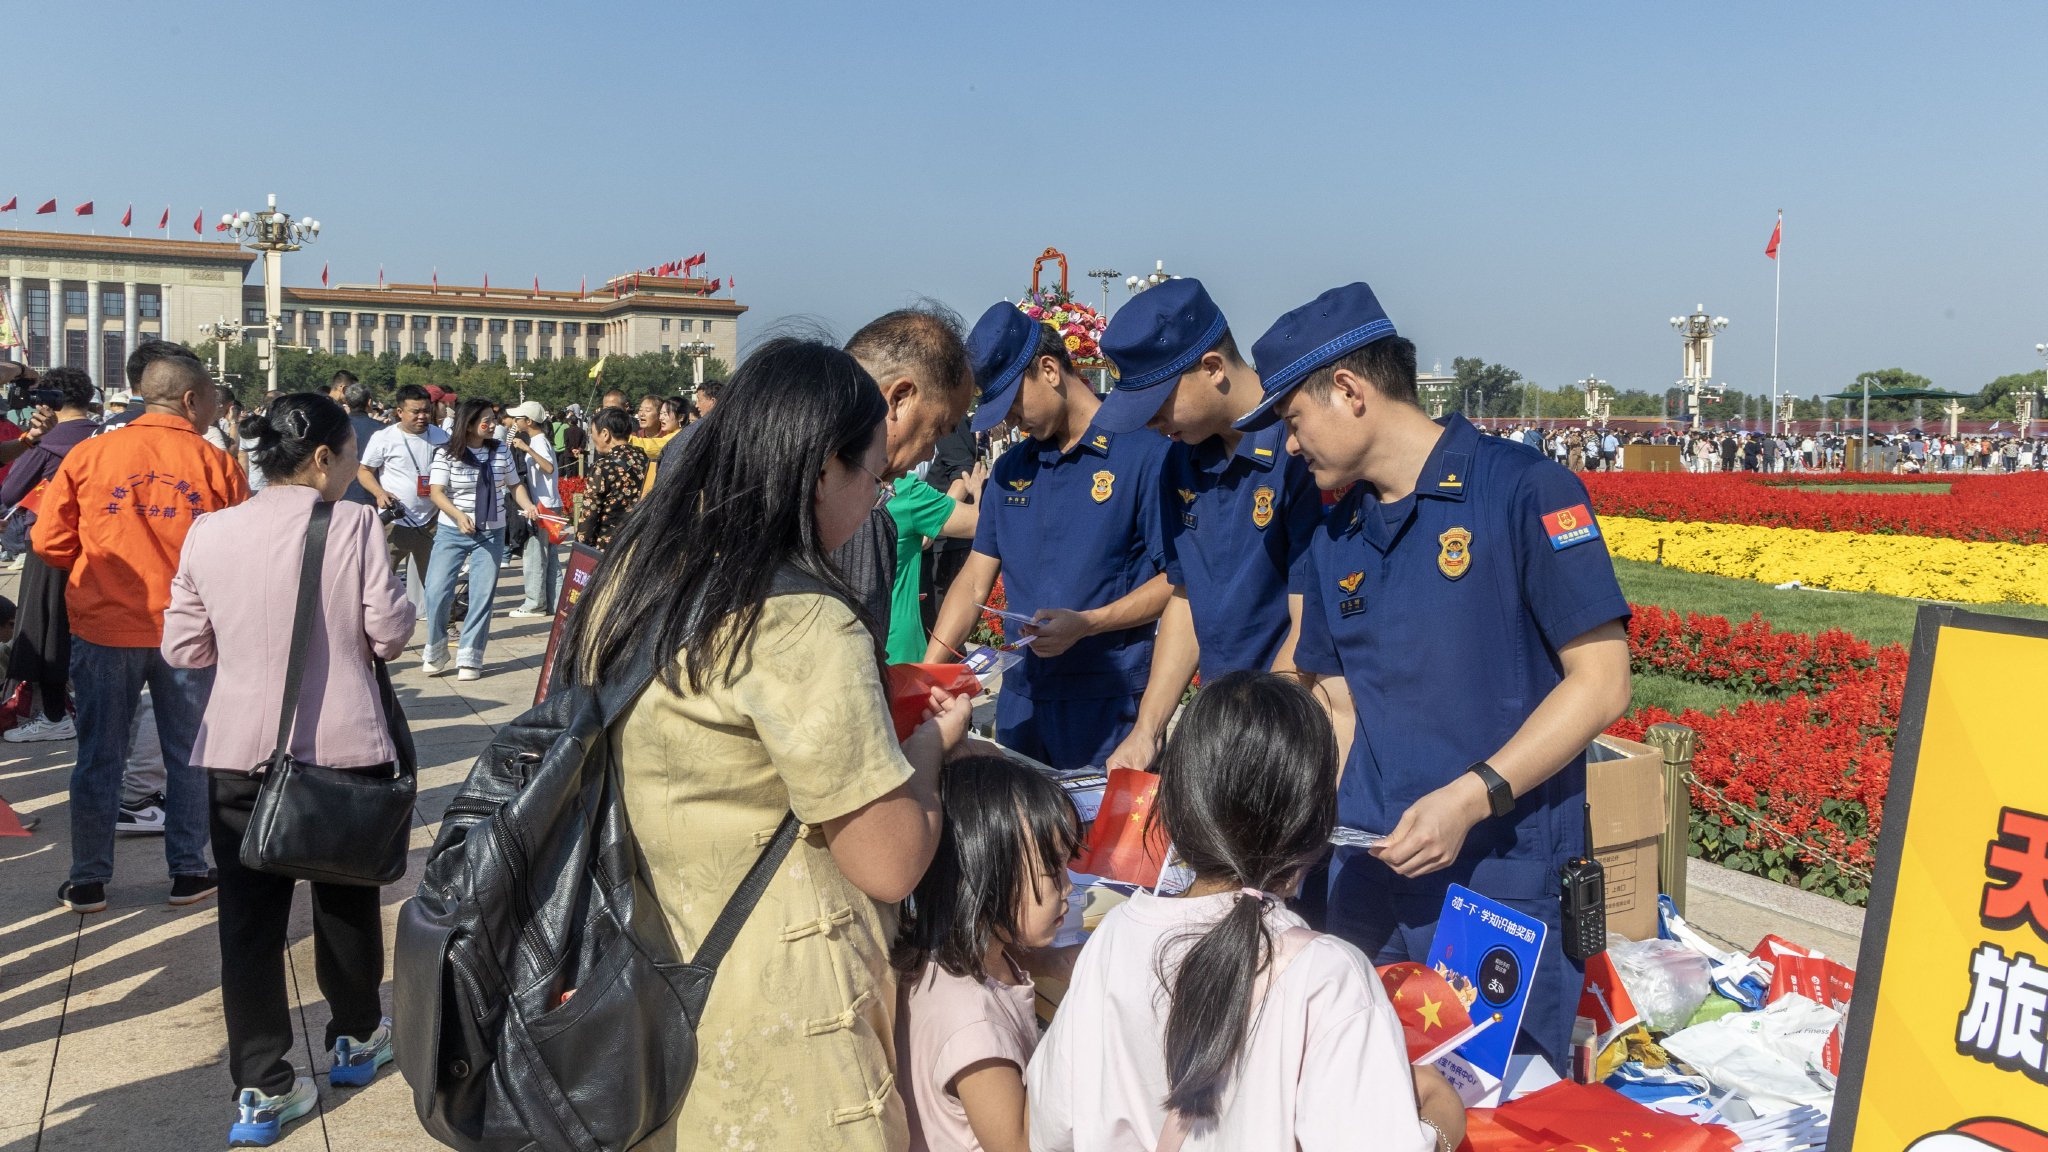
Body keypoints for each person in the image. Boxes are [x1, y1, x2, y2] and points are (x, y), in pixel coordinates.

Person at [564, 337, 972, 1150]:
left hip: (650, 986)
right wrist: (931, 748)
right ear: (822, 471)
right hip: (782, 1019)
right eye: (874, 477)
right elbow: (888, 859)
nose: (878, 498)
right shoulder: (801, 621)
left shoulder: (636, 578)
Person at [1237, 282, 1632, 1073]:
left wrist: (1471, 797)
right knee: (1355, 1087)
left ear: (1349, 391)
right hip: (1367, 878)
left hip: (1498, 881)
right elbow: (1338, 705)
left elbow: (1602, 682)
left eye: (1294, 419)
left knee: (1494, 1102)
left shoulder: (1521, 491)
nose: (1290, 446)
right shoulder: (1336, 534)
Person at [1027, 671, 1466, 1152]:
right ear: (1318, 819)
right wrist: (1442, 1119)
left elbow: (1052, 1127)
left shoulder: (1114, 936)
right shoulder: (1328, 975)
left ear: (1171, 805)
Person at [161, 392, 414, 1148]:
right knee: (346, 905)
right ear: (324, 457)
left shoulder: (209, 531)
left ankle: (263, 1089)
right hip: (342, 748)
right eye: (350, 457)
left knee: (247, 925)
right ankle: (356, 1038)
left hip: (239, 753)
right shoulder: (355, 525)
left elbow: (184, 648)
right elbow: (389, 634)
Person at [35, 343, 248, 914]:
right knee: (188, 755)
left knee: (98, 756)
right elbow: (239, 548)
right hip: (188, 632)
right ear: (190, 399)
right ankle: (188, 871)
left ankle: (88, 880)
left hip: (105, 625)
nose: (215, 407)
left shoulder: (90, 454)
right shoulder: (215, 463)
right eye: (212, 397)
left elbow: (49, 543)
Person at [1091, 279, 1322, 776]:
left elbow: (1311, 621)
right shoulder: (1180, 462)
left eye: (1157, 404)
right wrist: (1147, 729)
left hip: (1287, 735)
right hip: (1228, 730)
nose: (1151, 423)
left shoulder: (1302, 453)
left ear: (1213, 367)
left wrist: (1256, 733)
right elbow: (1186, 595)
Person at [925, 303, 1171, 769]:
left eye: (1014, 405)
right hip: (1023, 704)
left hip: (1107, 707)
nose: (1012, 422)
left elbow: (1175, 583)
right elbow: (975, 580)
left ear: (1050, 371)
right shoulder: (1010, 471)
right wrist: (930, 670)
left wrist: (1090, 623)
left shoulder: (1144, 455)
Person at [893, 753, 1078, 1152]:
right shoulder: (976, 1031)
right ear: (986, 878)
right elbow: (1018, 1146)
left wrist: (1054, 962)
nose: (1069, 886)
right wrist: (1081, 1033)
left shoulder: (945, 949)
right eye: (1053, 870)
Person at [2, 365, 97, 744]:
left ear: (48, 401)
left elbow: (10, 492)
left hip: (50, 545)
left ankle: (56, 715)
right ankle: (85, 707)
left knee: (46, 629)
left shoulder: (47, 442)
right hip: (99, 548)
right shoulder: (105, 436)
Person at [422, 397, 538, 680]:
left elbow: (514, 485)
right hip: (453, 530)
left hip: (491, 531)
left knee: (482, 595)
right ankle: (436, 649)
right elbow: (437, 492)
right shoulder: (447, 453)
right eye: (486, 420)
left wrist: (528, 505)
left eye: (493, 419)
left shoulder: (500, 451)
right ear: (469, 424)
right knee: (436, 591)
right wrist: (458, 515)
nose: (492, 424)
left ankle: (470, 656)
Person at [358, 384, 450, 605]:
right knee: (381, 585)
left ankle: (443, 622)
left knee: (437, 585)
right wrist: (379, 493)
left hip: (432, 522)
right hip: (395, 522)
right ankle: (380, 624)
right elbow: (364, 471)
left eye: (426, 410)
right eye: (415, 411)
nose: (422, 416)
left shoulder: (442, 437)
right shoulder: (384, 437)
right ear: (400, 412)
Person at [504, 400, 562, 618]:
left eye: (518, 418)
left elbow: (548, 468)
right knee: (549, 556)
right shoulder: (540, 440)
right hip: (548, 505)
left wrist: (527, 449)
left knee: (535, 555)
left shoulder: (538, 442)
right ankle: (555, 602)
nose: (514, 422)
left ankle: (534, 604)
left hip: (542, 507)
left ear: (528, 421)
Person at [574, 406, 648, 551]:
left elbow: (590, 514)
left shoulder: (603, 466)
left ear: (605, 434)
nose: (592, 437)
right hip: (640, 543)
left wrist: (581, 547)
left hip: (610, 545)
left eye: (593, 433)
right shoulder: (645, 459)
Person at [655, 378, 721, 474]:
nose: (696, 405)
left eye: (699, 400)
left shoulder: (695, 431)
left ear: (713, 401)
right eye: (661, 413)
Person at [335, 373, 381, 504]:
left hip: (340, 495)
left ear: (347, 402)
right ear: (369, 402)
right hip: (373, 496)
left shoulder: (335, 427)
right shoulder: (383, 430)